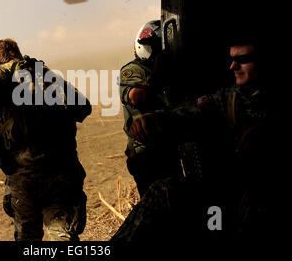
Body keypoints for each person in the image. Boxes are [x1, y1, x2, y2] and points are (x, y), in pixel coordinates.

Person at [113, 38, 283, 240]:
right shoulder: (231, 98)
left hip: (260, 198)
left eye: (243, 59)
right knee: (164, 192)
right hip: (230, 197)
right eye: (232, 59)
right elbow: (195, 113)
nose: (233, 66)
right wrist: (158, 121)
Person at [0, 38, 91, 241]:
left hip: (26, 177)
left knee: (27, 238)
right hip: (64, 172)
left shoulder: (4, 73)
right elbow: (83, 106)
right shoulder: (45, 73)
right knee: (62, 233)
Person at [119, 20, 178, 196]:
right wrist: (156, 77)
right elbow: (136, 96)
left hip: (169, 147)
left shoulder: (168, 69)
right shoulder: (132, 70)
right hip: (147, 154)